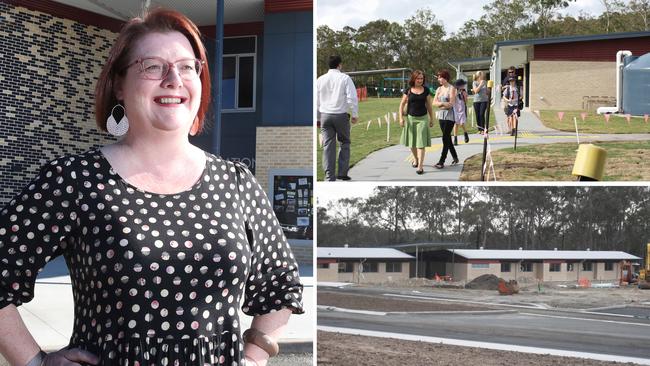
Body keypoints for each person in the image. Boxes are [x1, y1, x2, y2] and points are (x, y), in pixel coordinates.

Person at [0, 8, 303, 366]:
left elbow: (279, 284)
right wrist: (34, 362)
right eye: (153, 66)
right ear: (119, 84)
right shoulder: (76, 181)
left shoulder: (235, 183)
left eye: (188, 66)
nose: (174, 78)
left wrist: (254, 357)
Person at [316, 55, 359, 181]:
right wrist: (355, 114)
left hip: (325, 116)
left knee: (328, 145)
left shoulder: (320, 79)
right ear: (339, 65)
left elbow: (316, 101)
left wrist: (318, 118)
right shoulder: (345, 78)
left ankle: (329, 176)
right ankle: (342, 173)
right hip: (340, 115)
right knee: (344, 142)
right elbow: (352, 97)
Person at [398, 70, 434, 175]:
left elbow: (429, 106)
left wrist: (432, 119)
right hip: (410, 119)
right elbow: (401, 104)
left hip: (423, 119)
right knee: (411, 142)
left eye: (422, 78)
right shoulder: (408, 90)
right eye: (418, 78)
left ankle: (420, 166)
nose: (420, 80)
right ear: (414, 79)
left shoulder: (426, 90)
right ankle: (415, 158)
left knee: (421, 143)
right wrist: (400, 118)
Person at [432, 69, 458, 169]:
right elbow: (434, 102)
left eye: (440, 77)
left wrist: (440, 104)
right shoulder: (439, 89)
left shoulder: (452, 88)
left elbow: (451, 104)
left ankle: (441, 161)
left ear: (445, 78)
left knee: (445, 138)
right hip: (441, 116)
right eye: (438, 77)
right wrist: (442, 104)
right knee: (447, 138)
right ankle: (455, 157)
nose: (439, 79)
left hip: (450, 117)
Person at [452, 79, 470, 146]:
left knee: (462, 123)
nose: (463, 86)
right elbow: (452, 99)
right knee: (456, 124)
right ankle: (455, 139)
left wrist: (464, 95)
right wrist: (456, 93)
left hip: (462, 109)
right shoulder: (454, 91)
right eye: (462, 85)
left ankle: (465, 133)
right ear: (458, 86)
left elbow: (466, 101)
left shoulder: (464, 91)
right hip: (455, 109)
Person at [471, 71, 488, 135]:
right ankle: (479, 129)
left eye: (483, 74)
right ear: (478, 76)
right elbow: (475, 91)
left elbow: (487, 92)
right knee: (477, 115)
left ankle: (483, 129)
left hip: (484, 100)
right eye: (481, 74)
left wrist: (489, 89)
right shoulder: (474, 82)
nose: (483, 76)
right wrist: (481, 84)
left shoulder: (485, 82)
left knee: (481, 114)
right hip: (476, 101)